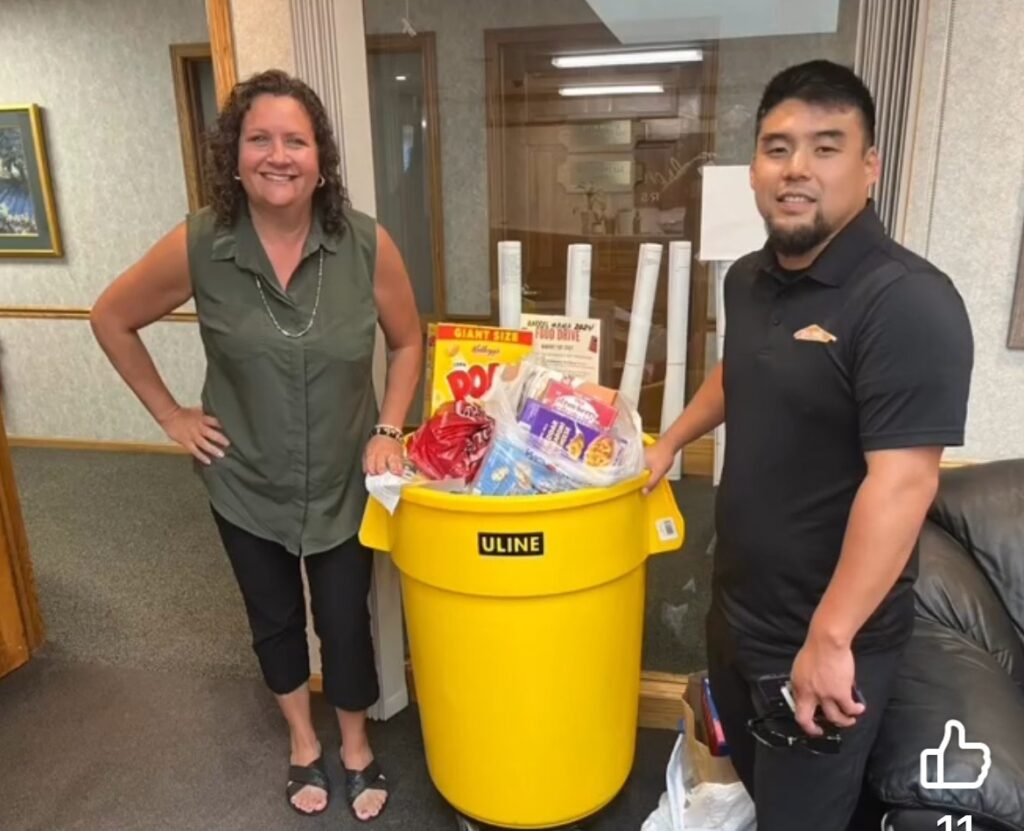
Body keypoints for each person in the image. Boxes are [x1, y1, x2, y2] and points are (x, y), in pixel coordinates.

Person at [645, 60, 973, 830]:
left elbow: (904, 483)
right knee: (768, 795)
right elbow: (743, 369)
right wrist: (670, 441)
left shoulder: (906, 301)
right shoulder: (751, 279)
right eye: (778, 146)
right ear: (755, 167)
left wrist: (830, 638)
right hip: (739, 616)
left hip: (825, 640)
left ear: (869, 169)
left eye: (826, 147)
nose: (797, 169)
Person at [90, 69, 422, 822]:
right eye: (260, 138)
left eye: (296, 140)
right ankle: (303, 742)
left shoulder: (365, 243)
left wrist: (387, 427)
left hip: (342, 479)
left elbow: (408, 342)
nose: (279, 155)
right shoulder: (202, 241)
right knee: (272, 616)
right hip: (243, 479)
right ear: (233, 154)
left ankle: (356, 744)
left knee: (344, 619)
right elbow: (110, 316)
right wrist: (171, 414)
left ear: (320, 156)